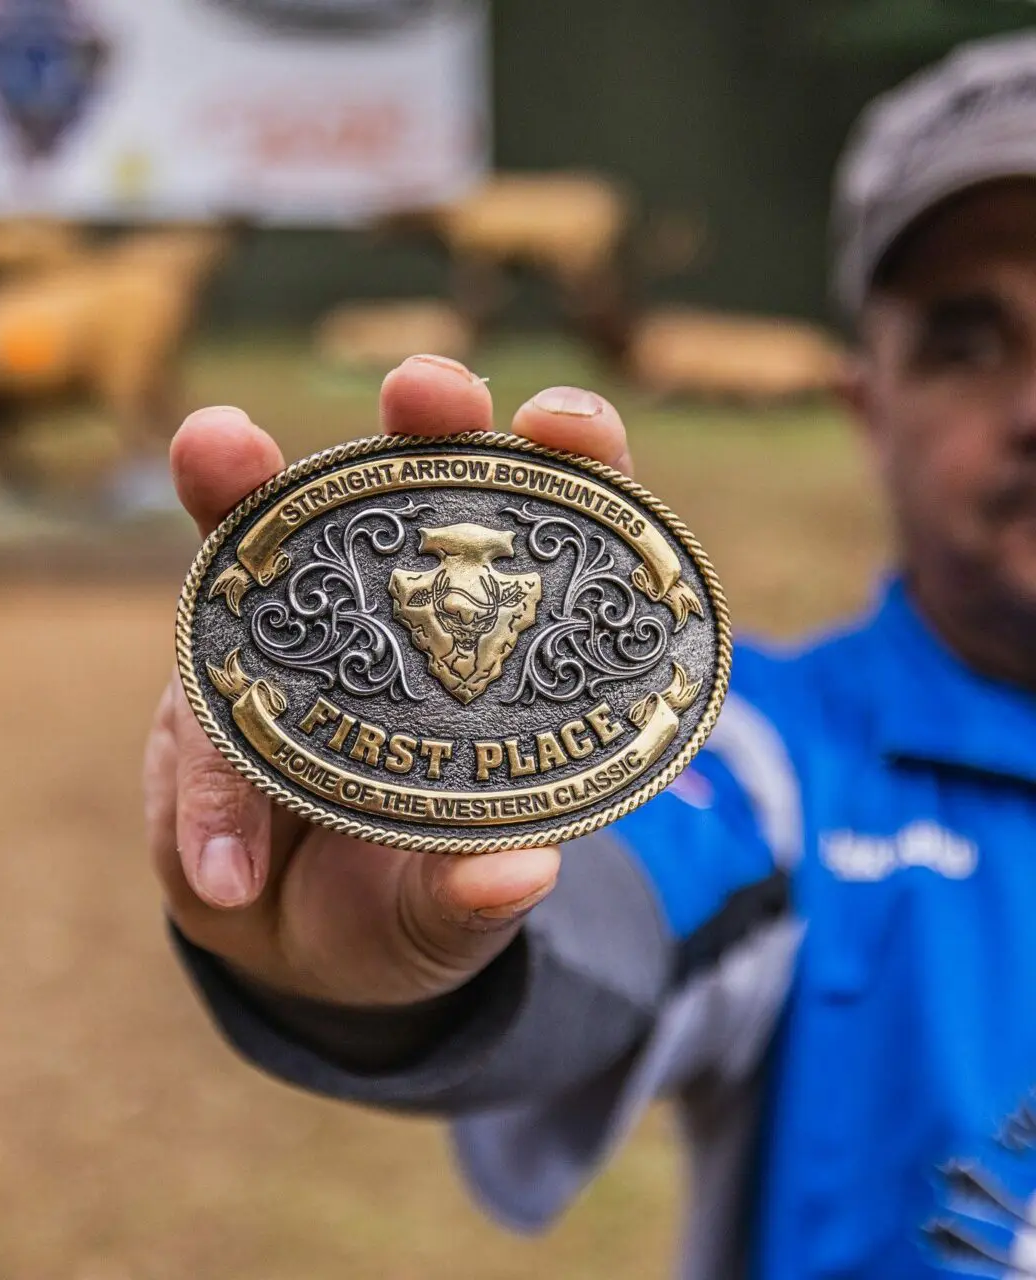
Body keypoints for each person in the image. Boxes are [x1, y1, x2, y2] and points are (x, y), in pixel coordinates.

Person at [147, 32, 1036, 1279]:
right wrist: (407, 955)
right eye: (964, 341)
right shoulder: (770, 763)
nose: (1033, 406)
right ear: (864, 405)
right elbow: (600, 910)